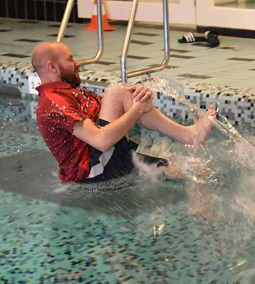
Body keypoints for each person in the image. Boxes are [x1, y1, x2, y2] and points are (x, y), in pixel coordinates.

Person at [31, 41, 216, 184]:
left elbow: (117, 111)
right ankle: (188, 135)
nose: (78, 63)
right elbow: (101, 140)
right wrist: (136, 109)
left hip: (106, 163)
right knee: (116, 90)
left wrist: (139, 98)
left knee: (196, 169)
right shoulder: (53, 101)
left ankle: (198, 207)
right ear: (52, 67)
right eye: (70, 59)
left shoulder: (67, 90)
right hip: (94, 173)